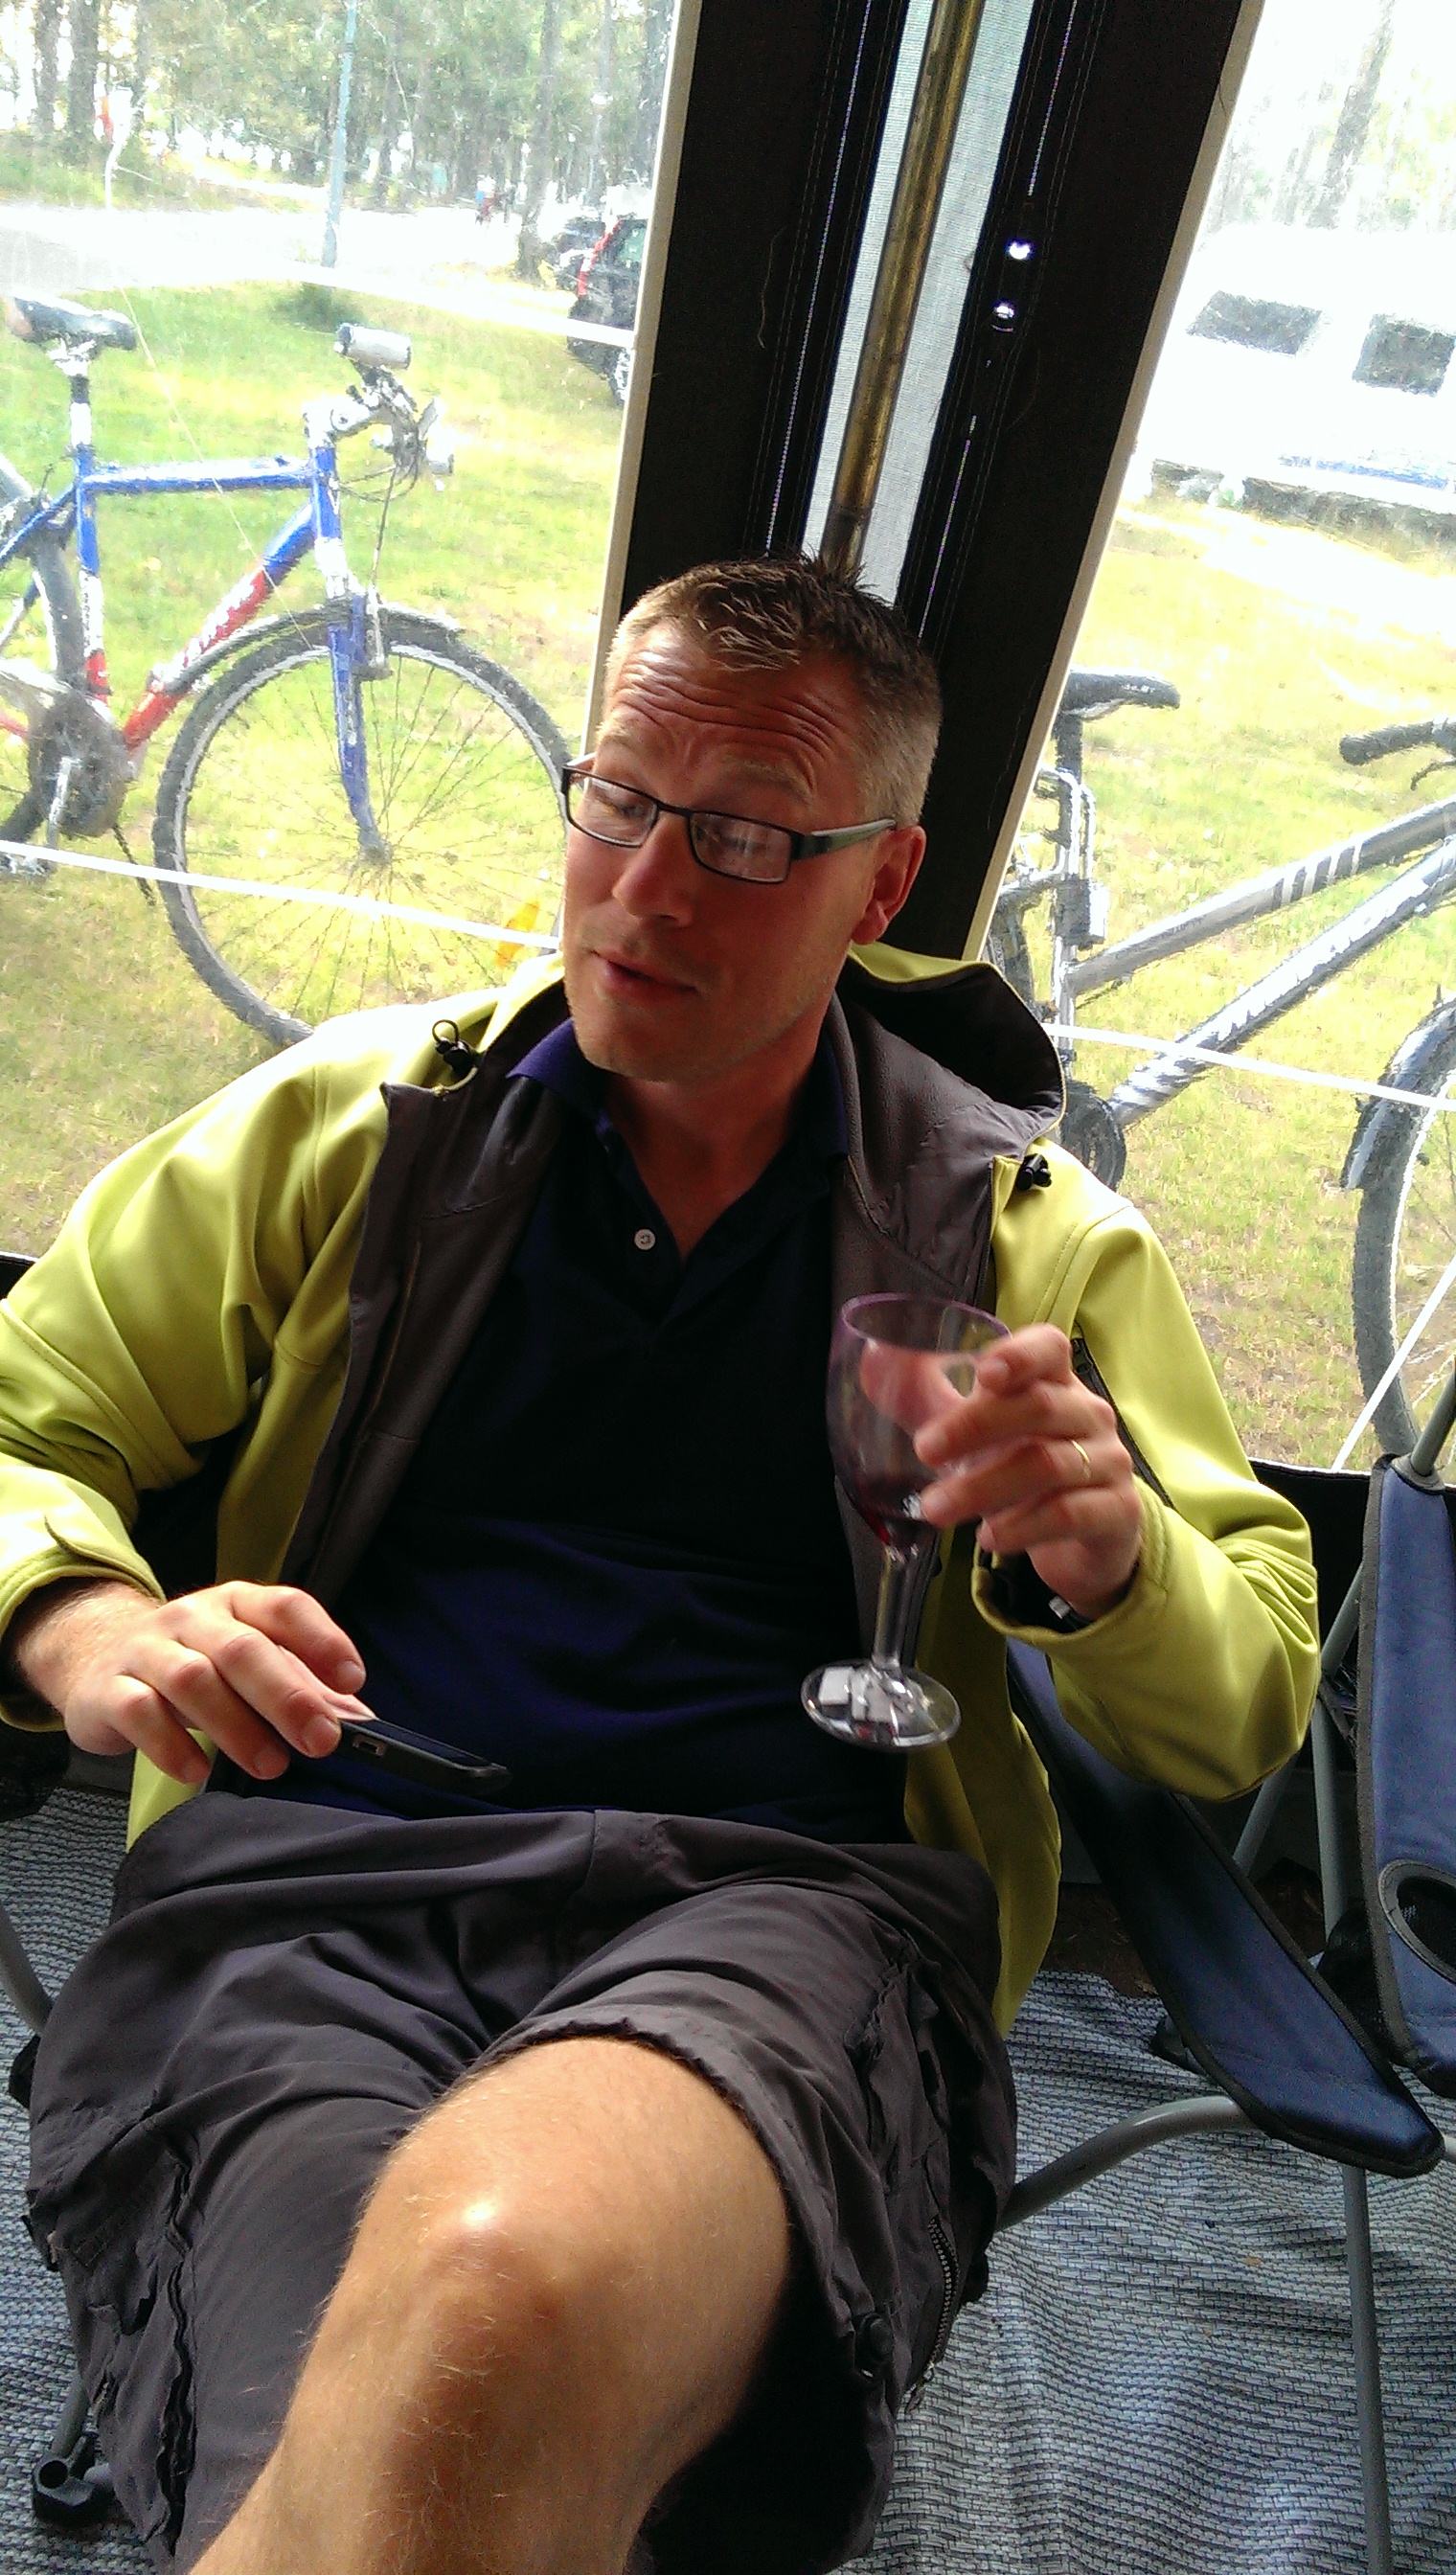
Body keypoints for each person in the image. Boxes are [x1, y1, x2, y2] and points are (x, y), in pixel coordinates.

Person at [0, 557, 1318, 2575]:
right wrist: (87, 1620)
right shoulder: (363, 1133)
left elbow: (1248, 1705)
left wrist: (1115, 1562)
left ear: (883, 886)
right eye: (616, 796)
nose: (645, 888)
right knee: (385, 2453)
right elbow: (28, 1418)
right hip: (318, 1878)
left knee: (489, 2297)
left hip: (780, 1915)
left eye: (746, 836)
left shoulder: (1021, 1244)